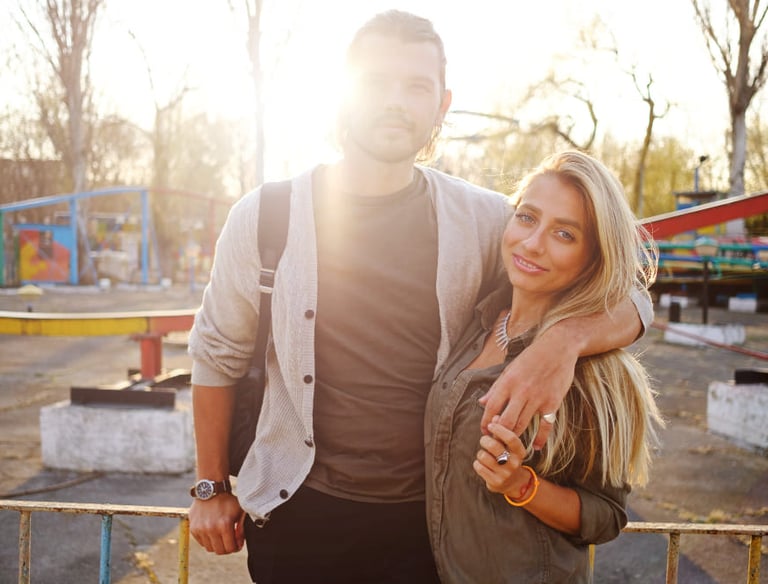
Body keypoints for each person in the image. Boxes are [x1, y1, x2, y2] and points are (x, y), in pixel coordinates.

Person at [188, 10, 653, 584]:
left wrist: (562, 342)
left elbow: (623, 289)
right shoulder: (267, 216)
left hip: (429, 524)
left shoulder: (483, 219)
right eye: (377, 82)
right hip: (300, 515)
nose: (395, 101)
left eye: (416, 86)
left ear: (441, 103)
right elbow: (217, 355)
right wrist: (210, 487)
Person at [425, 150, 665, 584]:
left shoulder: (595, 371)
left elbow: (607, 515)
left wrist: (521, 485)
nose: (533, 243)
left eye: (565, 234)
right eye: (527, 217)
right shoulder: (477, 318)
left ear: (593, 258)